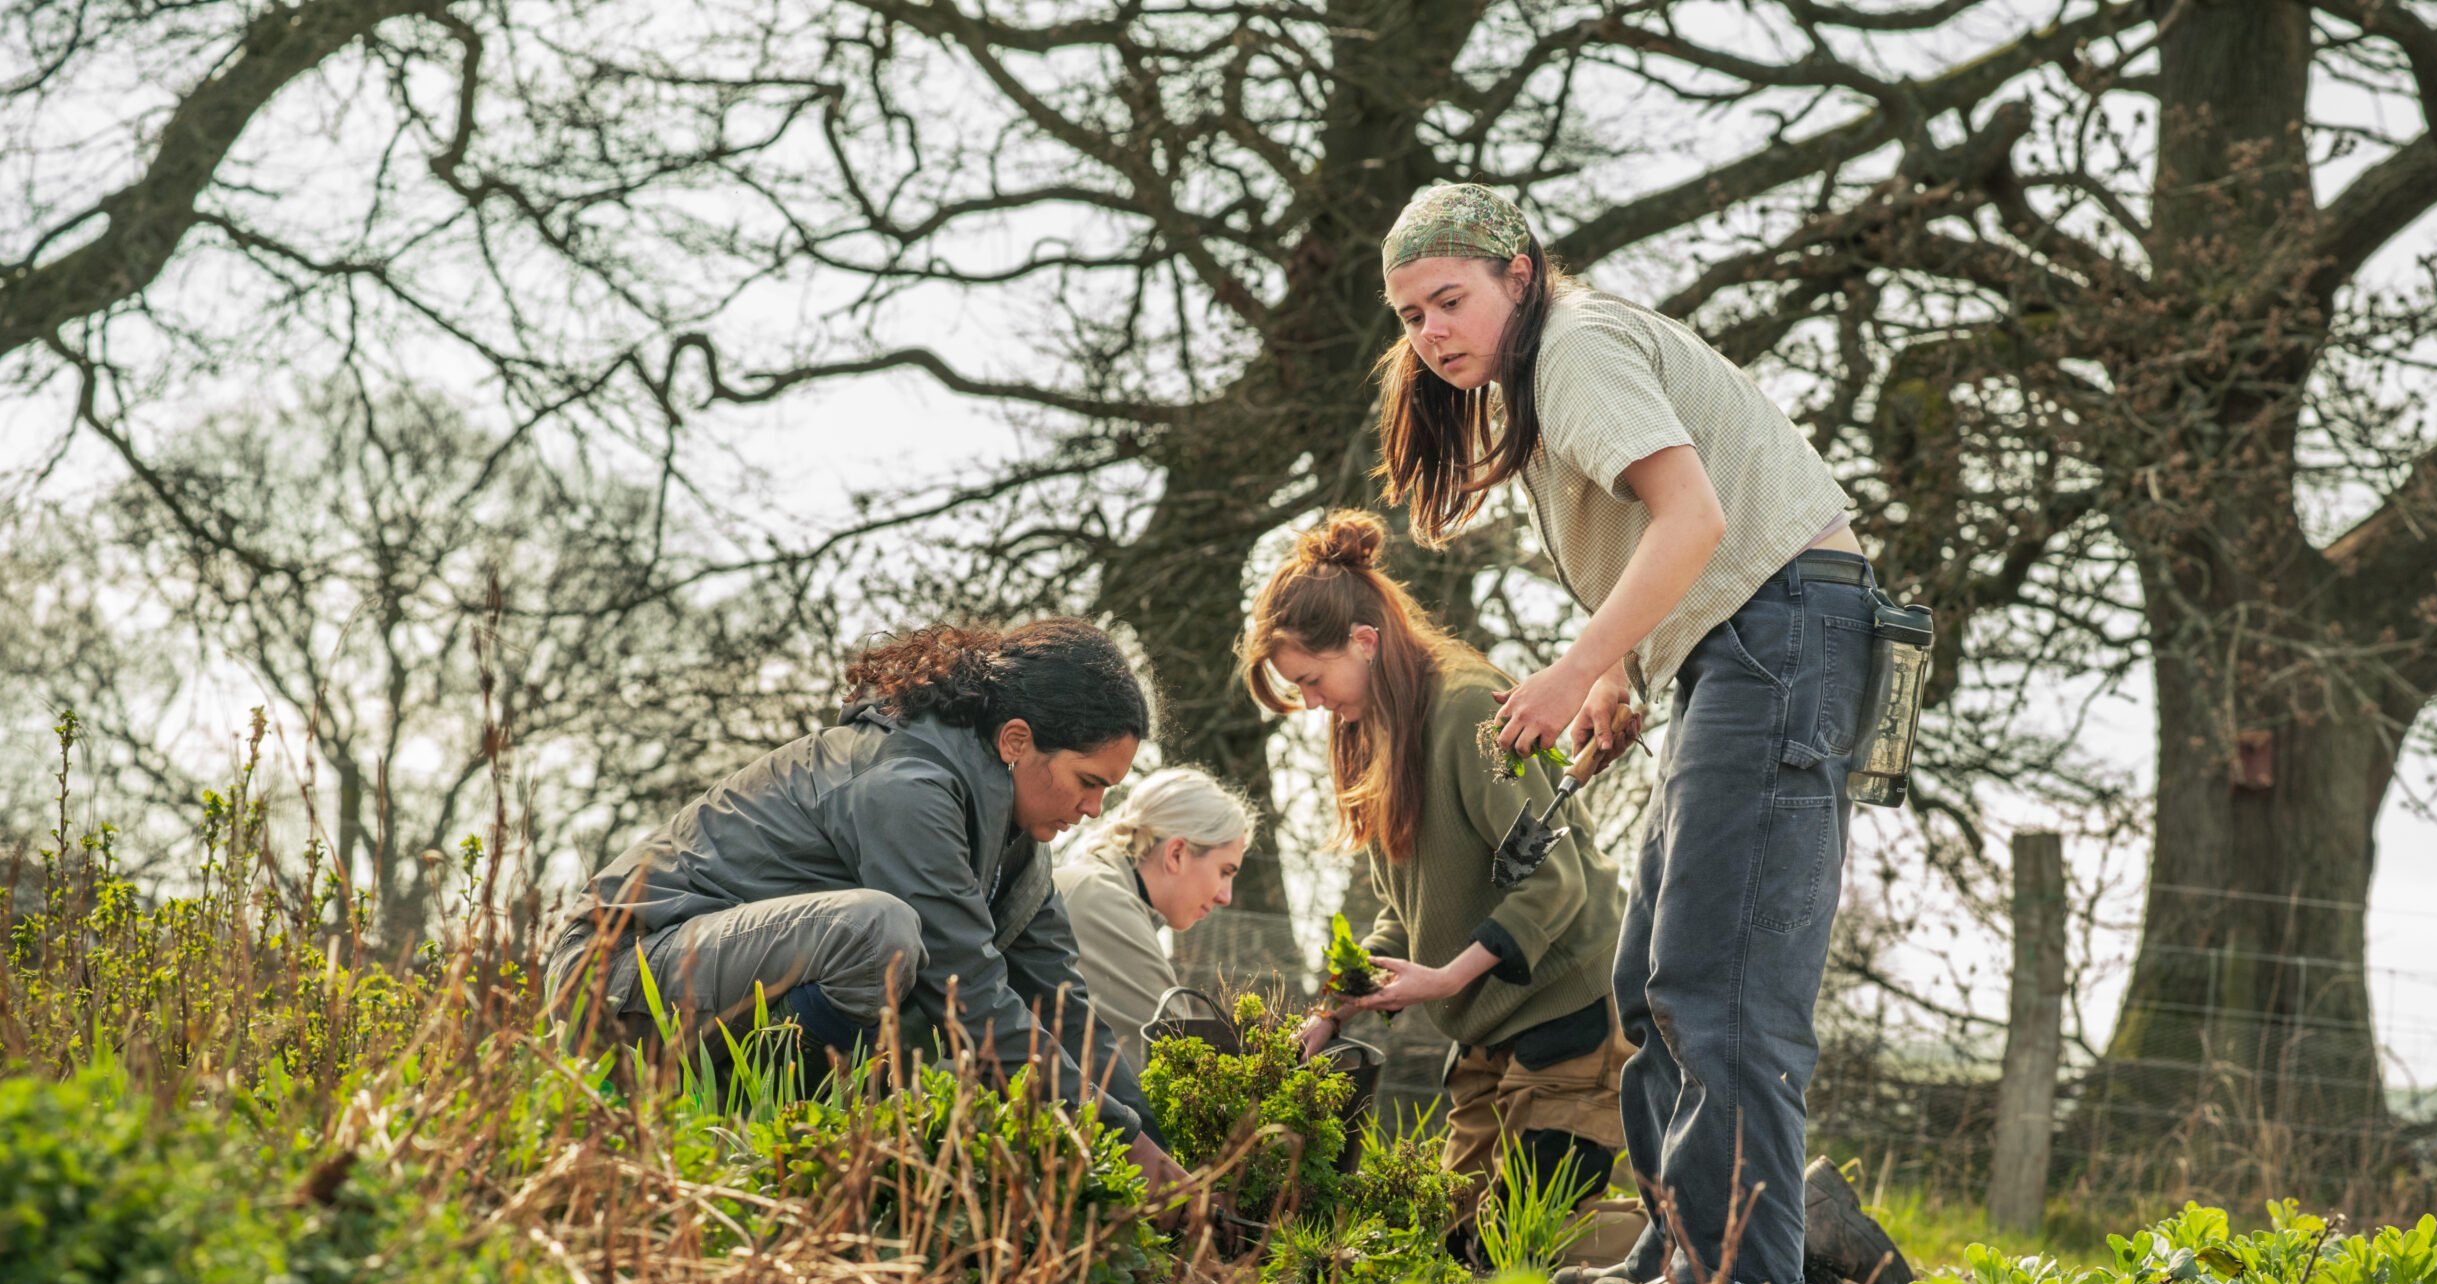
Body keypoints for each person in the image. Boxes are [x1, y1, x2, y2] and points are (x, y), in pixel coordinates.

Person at [1375, 181, 1882, 1284]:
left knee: (1721, 985)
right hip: (1738, 643)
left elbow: (1694, 518)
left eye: (1448, 301)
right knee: (1650, 977)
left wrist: (1572, 669)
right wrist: (1619, 673)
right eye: (1410, 316)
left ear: (1518, 274)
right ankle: (1681, 1255)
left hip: (1779, 635)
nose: (1432, 333)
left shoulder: (1576, 346)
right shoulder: (1542, 369)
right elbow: (1669, 545)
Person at [543, 616, 1180, 1187]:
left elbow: (1065, 1012)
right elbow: (968, 993)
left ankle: (784, 1145)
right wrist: (1117, 1142)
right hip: (617, 977)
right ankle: (759, 1143)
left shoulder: (1018, 851)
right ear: (1016, 740)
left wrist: (1160, 1151)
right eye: (1088, 781)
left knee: (898, 958)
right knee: (879, 932)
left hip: (703, 983)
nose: (1094, 809)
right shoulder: (907, 786)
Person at [1239, 510, 1635, 1240]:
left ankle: (1755, 1243)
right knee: (1447, 1244)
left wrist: (1446, 977)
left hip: (1571, 1010)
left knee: (1519, 1248)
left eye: (1312, 680)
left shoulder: (1471, 710)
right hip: (1490, 1034)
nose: (1312, 704)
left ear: (1363, 642)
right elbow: (1406, 910)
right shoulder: (1375, 733)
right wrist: (1335, 1007)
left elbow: (1556, 881)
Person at [1054, 767, 1259, 1074]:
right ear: (1176, 853)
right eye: (1224, 872)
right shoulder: (1102, 901)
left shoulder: (1095, 886)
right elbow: (1182, 1073)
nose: (1225, 896)